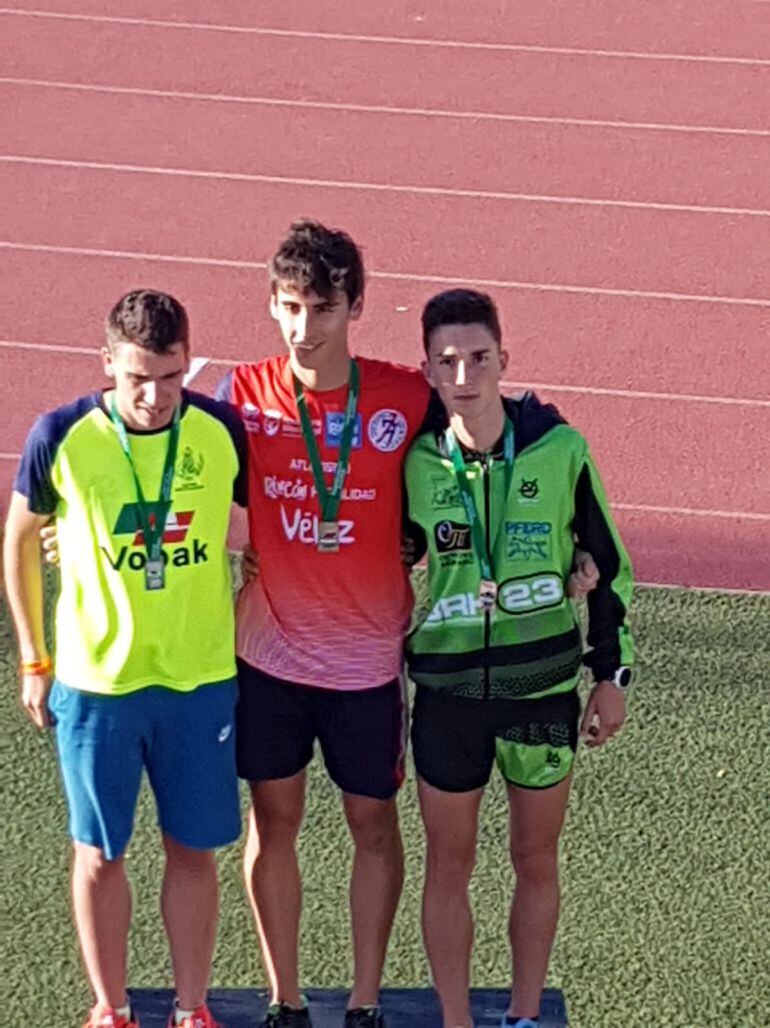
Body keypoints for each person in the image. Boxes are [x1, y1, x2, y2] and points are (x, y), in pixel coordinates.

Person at [3, 290, 247, 1028]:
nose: (155, 396)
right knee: (100, 853)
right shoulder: (62, 435)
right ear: (108, 363)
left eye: (171, 376)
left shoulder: (218, 430)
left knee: (193, 851)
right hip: (96, 686)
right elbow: (18, 540)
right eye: (138, 377)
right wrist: (32, 660)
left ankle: (192, 1007)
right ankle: (110, 1009)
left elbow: (269, 523)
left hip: (198, 679)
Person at [215, 220, 432, 1028]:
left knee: (372, 823)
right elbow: (159, 461)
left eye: (325, 308)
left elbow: (505, 443)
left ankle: (367, 998)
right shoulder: (242, 396)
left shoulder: (406, 398)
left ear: (357, 306)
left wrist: (581, 546)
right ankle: (286, 997)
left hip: (368, 665)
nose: (307, 328)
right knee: (273, 823)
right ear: (273, 306)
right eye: (291, 307)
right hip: (268, 655)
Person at [403, 289, 634, 1028]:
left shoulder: (559, 450)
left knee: (535, 861)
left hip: (541, 693)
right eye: (446, 362)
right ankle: (456, 1019)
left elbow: (609, 566)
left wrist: (610, 676)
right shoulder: (413, 463)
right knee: (449, 865)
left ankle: (526, 1014)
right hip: (446, 696)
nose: (464, 375)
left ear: (506, 358)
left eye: (479, 358)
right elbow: (381, 565)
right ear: (428, 370)